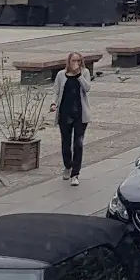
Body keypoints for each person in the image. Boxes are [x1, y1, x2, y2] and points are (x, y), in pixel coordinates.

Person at [53, 51, 94, 185]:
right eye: (73, 61)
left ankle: (75, 174)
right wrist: (53, 104)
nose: (76, 63)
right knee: (66, 143)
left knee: (78, 143)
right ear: (69, 62)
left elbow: (87, 88)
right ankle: (67, 166)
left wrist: (78, 75)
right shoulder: (61, 74)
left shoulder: (85, 73)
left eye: (78, 61)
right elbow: (56, 92)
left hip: (80, 114)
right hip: (65, 113)